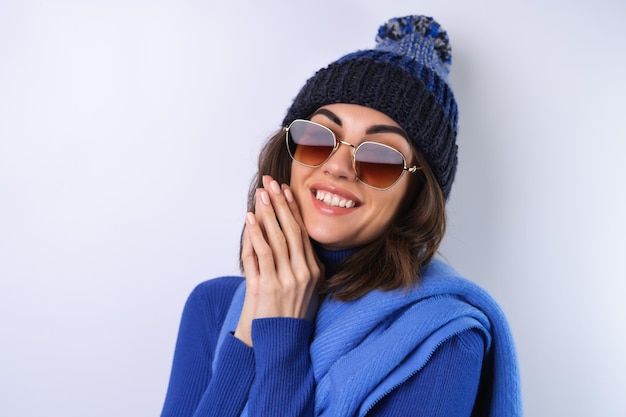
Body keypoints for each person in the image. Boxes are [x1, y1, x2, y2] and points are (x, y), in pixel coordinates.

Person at [159, 14, 522, 417]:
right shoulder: (212, 305)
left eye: (380, 156)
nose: (338, 167)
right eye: (318, 138)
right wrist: (249, 326)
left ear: (415, 194)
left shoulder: (442, 339)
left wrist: (282, 336)